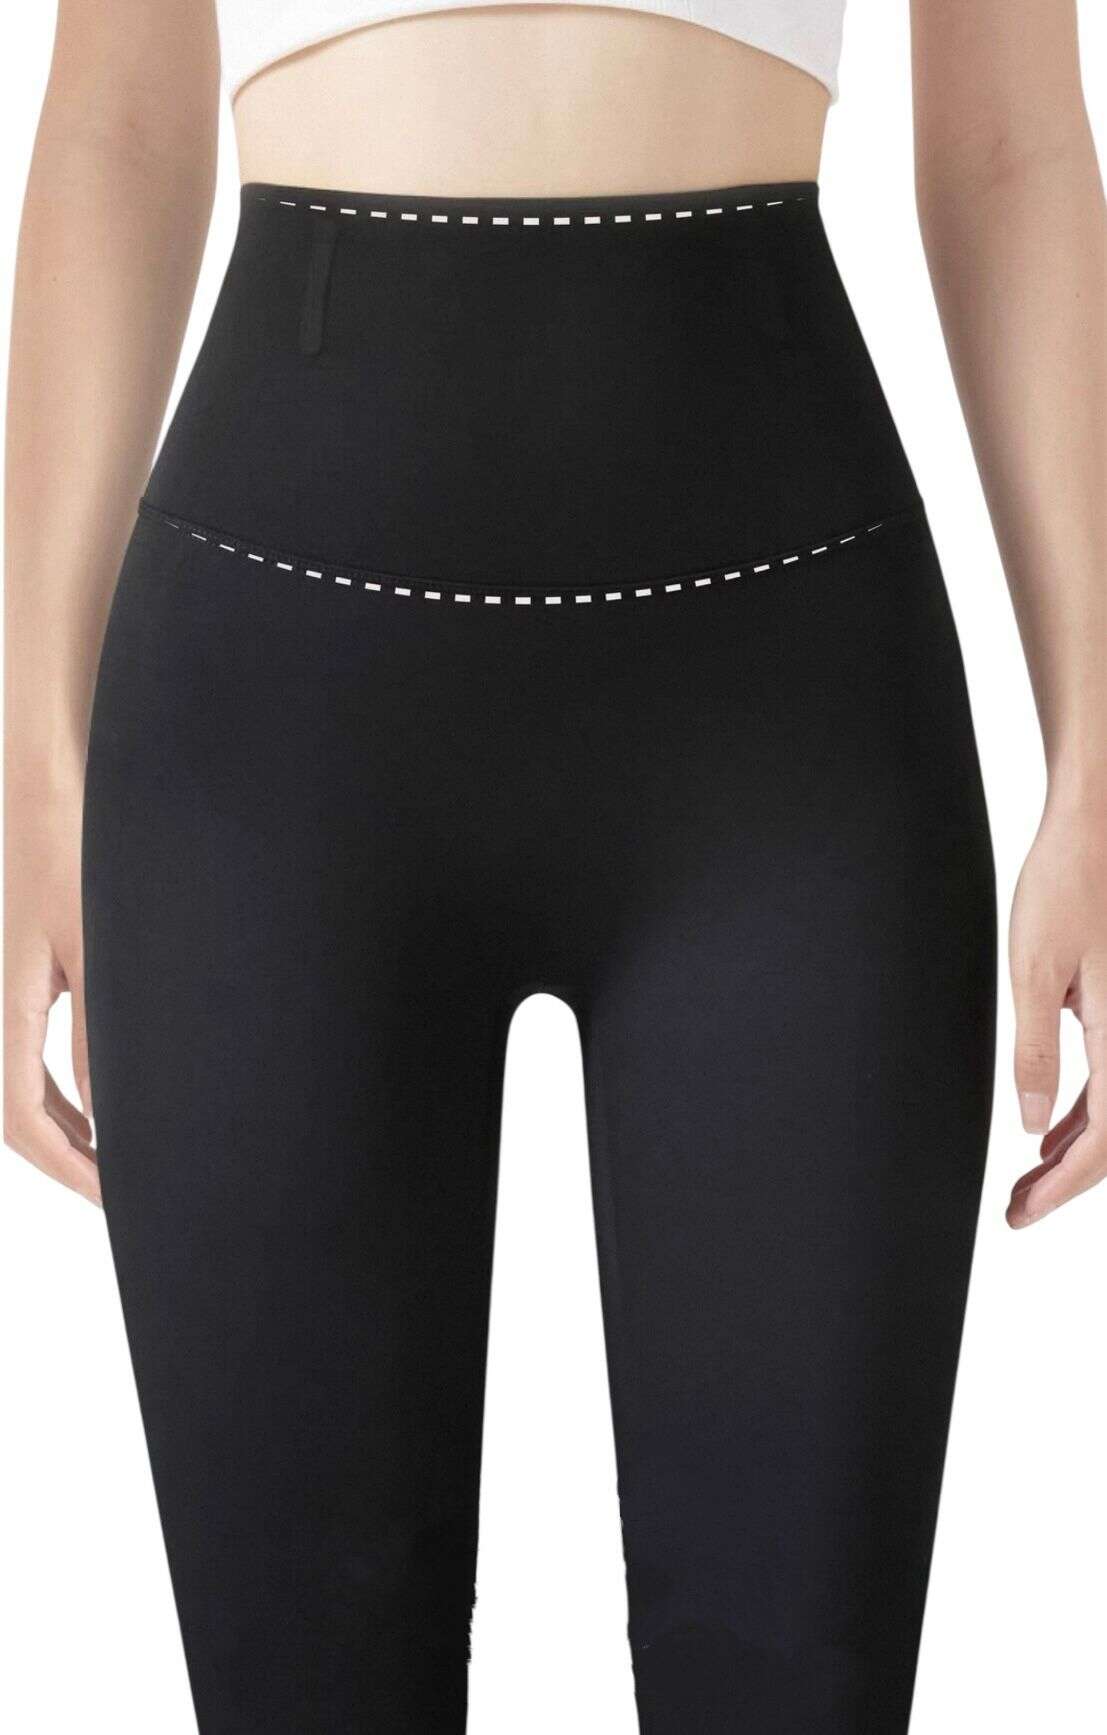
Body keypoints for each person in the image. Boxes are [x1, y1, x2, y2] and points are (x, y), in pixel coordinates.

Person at [4, 0, 1104, 1729]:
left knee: (796, 1679)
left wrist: (1100, 760)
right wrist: (25, 766)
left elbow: (1014, 142)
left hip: (785, 725)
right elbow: (116, 126)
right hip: (270, 738)